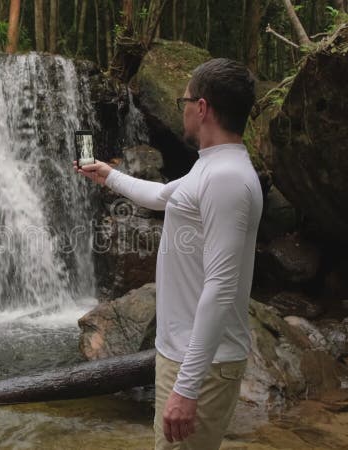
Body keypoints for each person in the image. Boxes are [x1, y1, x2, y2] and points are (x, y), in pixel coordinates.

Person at [74, 58, 262, 450]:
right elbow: (162, 196)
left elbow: (221, 287)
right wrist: (108, 175)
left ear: (203, 108)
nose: (183, 109)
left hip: (201, 366)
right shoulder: (211, 168)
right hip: (183, 354)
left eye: (185, 100)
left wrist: (187, 388)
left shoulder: (227, 179)